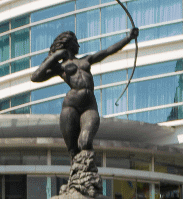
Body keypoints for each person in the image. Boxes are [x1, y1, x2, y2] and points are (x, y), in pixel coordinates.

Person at [32, 27, 138, 159]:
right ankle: (77, 168)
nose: (78, 45)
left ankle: (85, 167)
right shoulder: (59, 67)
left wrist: (128, 38)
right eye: (75, 42)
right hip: (71, 104)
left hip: (89, 104)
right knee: (73, 149)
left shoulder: (86, 59)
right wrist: (55, 56)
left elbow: (108, 51)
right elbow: (35, 77)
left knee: (85, 142)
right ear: (68, 44)